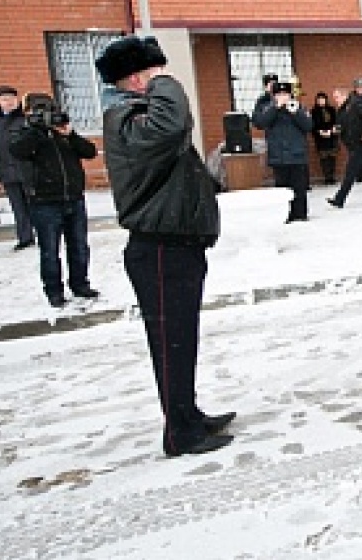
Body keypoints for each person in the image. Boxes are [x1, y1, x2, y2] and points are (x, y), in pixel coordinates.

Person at [97, 35, 235, 457]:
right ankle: (180, 434)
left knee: (181, 340)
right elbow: (172, 124)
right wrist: (163, 82)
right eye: (155, 74)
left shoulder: (139, 117)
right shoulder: (126, 119)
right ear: (137, 79)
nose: (163, 80)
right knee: (171, 343)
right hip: (158, 248)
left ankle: (186, 414)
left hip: (176, 244)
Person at [8, 95, 100, 308]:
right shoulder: (23, 132)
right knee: (50, 250)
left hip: (73, 197)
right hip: (44, 201)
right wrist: (37, 130)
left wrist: (70, 135)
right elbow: (18, 151)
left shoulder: (62, 132)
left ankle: (80, 284)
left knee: (79, 246)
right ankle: (54, 291)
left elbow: (90, 152)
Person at [0, 85, 35, 250]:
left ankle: (45, 234)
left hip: (29, 169)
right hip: (7, 170)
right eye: (4, 99)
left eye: (11, 99)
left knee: (36, 203)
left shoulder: (27, 118)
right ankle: (25, 237)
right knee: (18, 206)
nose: (8, 102)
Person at [253, 81, 313, 223]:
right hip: (278, 156)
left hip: (297, 155)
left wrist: (296, 113)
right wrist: (275, 108)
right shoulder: (267, 108)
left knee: (299, 187)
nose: (283, 97)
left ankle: (300, 214)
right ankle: (286, 213)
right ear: (274, 96)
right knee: (282, 188)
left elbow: (308, 126)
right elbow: (260, 123)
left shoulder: (298, 107)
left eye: (285, 94)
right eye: (279, 94)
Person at [327, 86, 362, 207]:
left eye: (337, 97)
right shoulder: (341, 110)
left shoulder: (356, 104)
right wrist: (334, 130)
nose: (335, 100)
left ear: (344, 95)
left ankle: (339, 199)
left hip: (360, 143)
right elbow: (341, 125)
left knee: (350, 171)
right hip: (350, 144)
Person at [310, 91, 339, 185]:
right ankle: (327, 177)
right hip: (320, 138)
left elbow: (336, 122)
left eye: (323, 99)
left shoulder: (331, 110)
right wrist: (319, 132)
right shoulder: (314, 111)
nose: (321, 101)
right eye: (319, 99)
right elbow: (312, 125)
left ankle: (332, 176)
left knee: (332, 157)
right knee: (324, 158)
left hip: (332, 136)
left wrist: (331, 131)